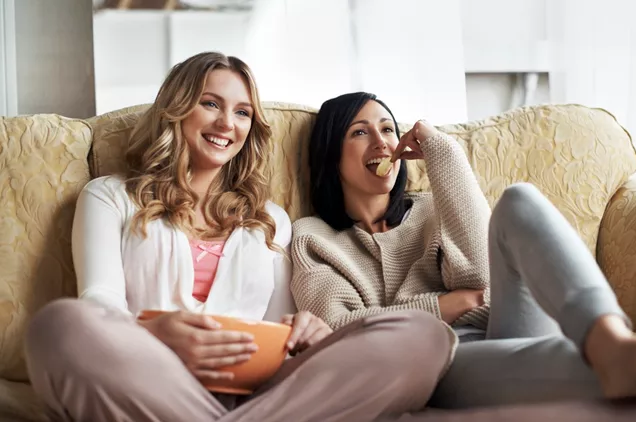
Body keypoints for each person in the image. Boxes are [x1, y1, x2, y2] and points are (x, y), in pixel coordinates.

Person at [24, 55, 454, 422]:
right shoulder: (110, 196)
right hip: (149, 376)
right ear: (176, 109)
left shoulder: (271, 220)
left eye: (243, 112)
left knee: (422, 334)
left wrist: (303, 331)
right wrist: (153, 333)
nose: (226, 123)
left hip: (258, 392)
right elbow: (99, 304)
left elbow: (277, 330)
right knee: (60, 326)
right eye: (210, 104)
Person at [290, 91, 636, 408]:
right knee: (551, 363)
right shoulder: (314, 237)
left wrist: (441, 150)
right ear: (332, 153)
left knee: (520, 199)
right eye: (360, 132)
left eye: (388, 128)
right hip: (438, 364)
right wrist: (443, 305)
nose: (382, 142)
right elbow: (336, 329)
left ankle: (610, 338)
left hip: (515, 321)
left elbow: (486, 281)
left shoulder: (434, 208)